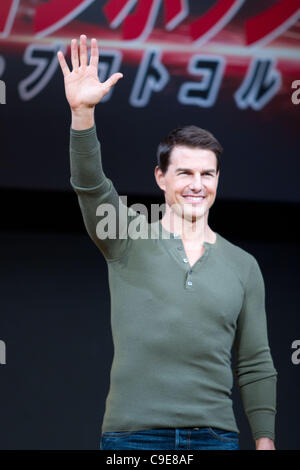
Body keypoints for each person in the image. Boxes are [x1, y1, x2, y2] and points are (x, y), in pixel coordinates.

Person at [57, 35, 278, 451]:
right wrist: (82, 114)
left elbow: (255, 363)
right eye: (184, 173)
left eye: (207, 174)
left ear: (217, 180)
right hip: (132, 437)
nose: (197, 185)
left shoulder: (244, 265)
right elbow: (91, 187)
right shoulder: (128, 236)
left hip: (216, 438)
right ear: (161, 178)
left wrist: (264, 441)